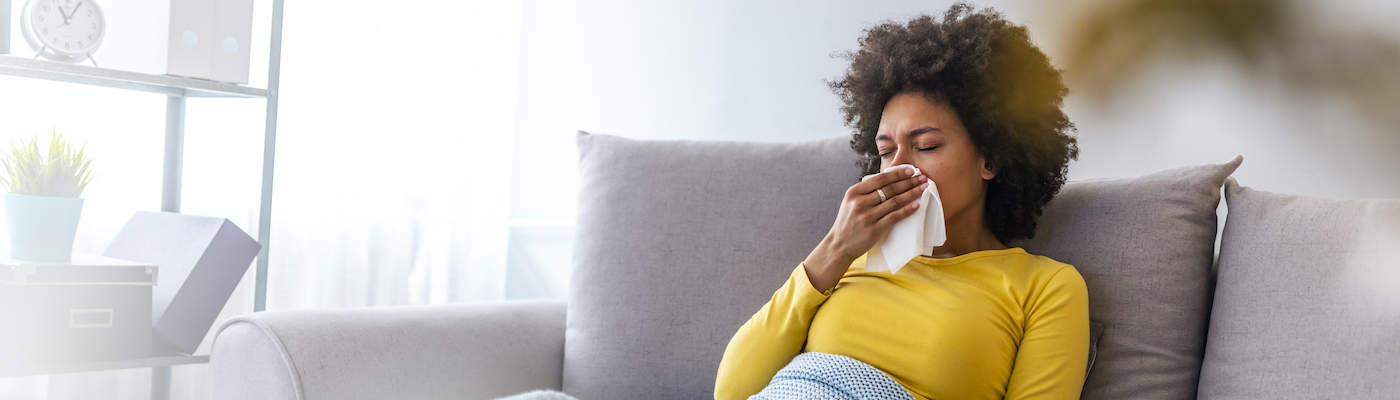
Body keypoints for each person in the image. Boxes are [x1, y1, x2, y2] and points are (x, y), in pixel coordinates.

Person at [714, 3, 1088, 399]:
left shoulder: (1044, 287)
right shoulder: (848, 261)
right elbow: (732, 391)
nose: (900, 167)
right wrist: (835, 248)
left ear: (990, 158)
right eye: (887, 151)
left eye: (926, 145)